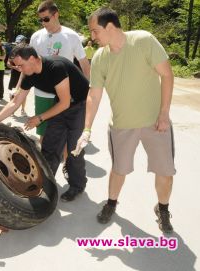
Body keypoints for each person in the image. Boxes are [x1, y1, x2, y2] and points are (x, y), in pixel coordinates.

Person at [73, 7, 175, 233]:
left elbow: (167, 74)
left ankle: (163, 209)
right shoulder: (100, 57)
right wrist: (86, 129)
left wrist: (164, 113)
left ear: (110, 26)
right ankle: (111, 204)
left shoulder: (144, 41)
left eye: (95, 31)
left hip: (156, 123)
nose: (92, 37)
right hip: (121, 125)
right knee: (119, 169)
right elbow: (94, 94)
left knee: (165, 172)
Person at [0, 45, 89, 201]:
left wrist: (39, 118)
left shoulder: (55, 67)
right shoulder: (29, 73)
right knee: (50, 145)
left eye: (20, 65)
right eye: (16, 66)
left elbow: (65, 103)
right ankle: (46, 183)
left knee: (73, 149)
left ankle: (77, 186)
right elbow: (15, 101)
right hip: (61, 103)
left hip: (80, 103)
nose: (19, 69)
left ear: (32, 59)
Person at [29, 0, 90, 184]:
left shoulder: (71, 36)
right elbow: (29, 65)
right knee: (44, 135)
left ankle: (68, 167)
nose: (43, 23)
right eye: (40, 20)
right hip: (42, 93)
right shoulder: (36, 36)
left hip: (65, 95)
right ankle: (45, 173)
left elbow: (84, 64)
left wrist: (88, 92)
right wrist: (18, 89)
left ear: (56, 15)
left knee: (67, 137)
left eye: (46, 19)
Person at [8, 35, 28, 115]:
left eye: (19, 42)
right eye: (17, 43)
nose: (17, 44)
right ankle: (11, 110)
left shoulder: (26, 52)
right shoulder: (13, 51)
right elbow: (8, 62)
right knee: (12, 92)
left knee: (23, 92)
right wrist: (14, 67)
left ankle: (22, 110)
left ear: (24, 42)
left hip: (24, 74)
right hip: (14, 74)